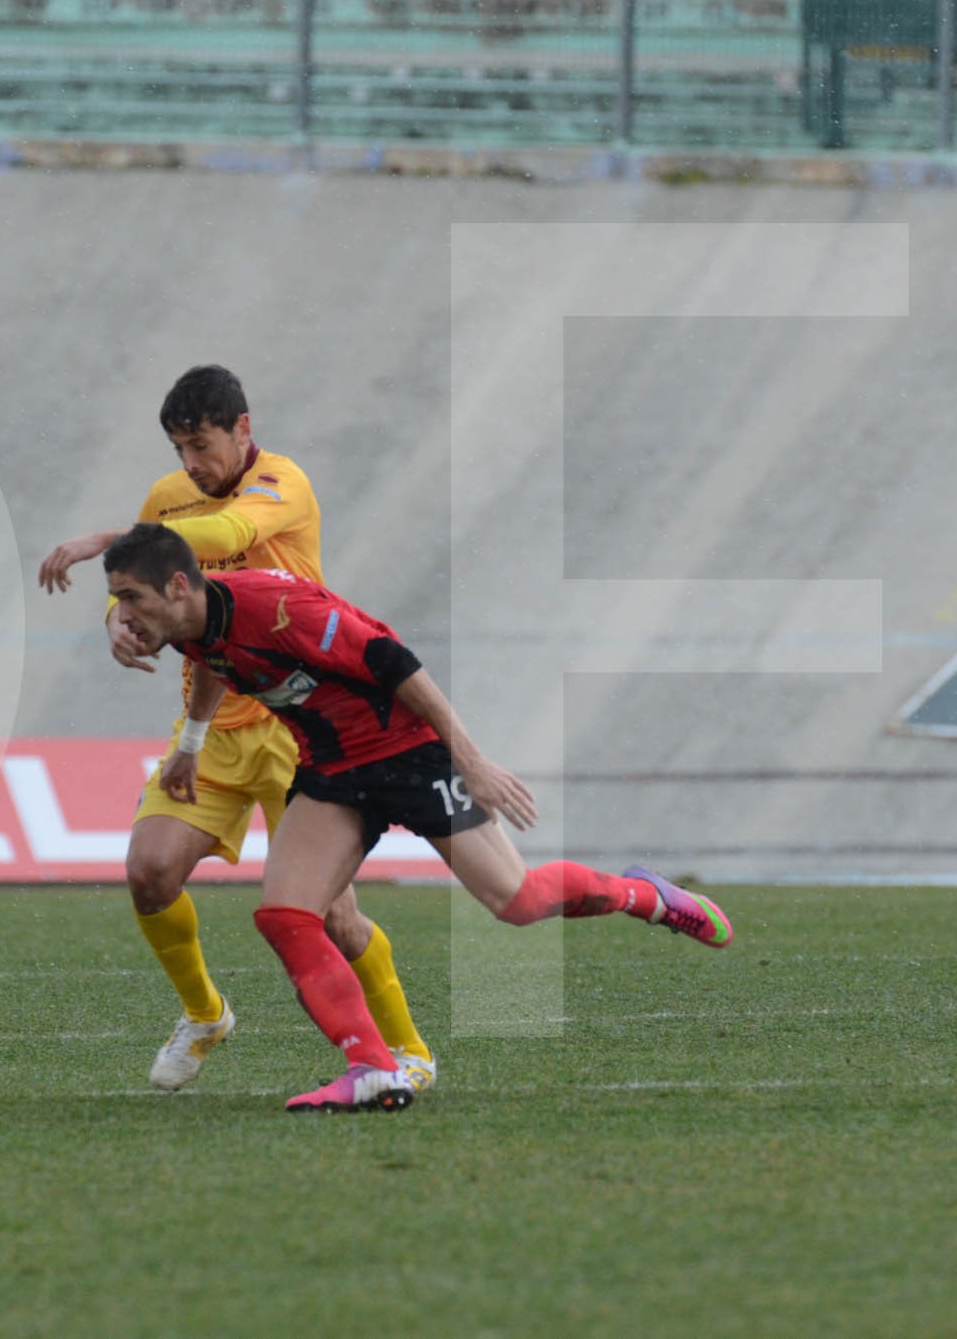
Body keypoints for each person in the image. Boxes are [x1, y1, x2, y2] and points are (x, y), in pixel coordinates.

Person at [102, 523, 733, 1114]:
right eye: (116, 600)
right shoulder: (189, 622)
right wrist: (189, 746)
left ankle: (643, 894)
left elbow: (394, 662)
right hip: (333, 770)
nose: (122, 615)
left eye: (130, 597)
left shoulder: (279, 609)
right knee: (286, 917)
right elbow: (218, 662)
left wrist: (473, 762)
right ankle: (372, 1066)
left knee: (517, 901)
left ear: (178, 586)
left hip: (407, 753)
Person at [36, 365, 435, 1094]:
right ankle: (205, 1013)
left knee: (337, 923)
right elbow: (144, 583)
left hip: (299, 730)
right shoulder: (167, 498)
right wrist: (117, 624)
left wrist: (108, 534)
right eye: (179, 447)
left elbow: (227, 531)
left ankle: (410, 1050)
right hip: (212, 726)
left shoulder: (283, 484)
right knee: (148, 873)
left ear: (242, 429)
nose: (190, 463)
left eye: (201, 444)